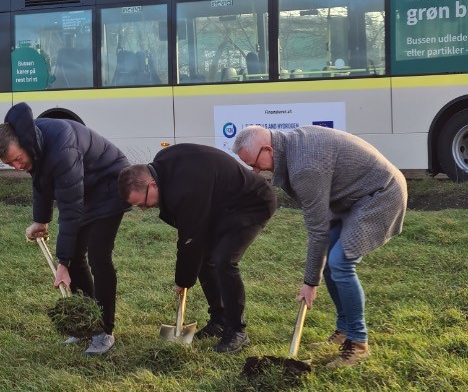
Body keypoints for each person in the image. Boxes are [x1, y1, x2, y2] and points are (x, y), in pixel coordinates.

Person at [233, 125, 407, 368]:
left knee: (340, 262)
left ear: (268, 149)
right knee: (329, 265)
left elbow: (318, 230)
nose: (256, 170)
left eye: (256, 163)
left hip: (381, 194)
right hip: (353, 198)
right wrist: (314, 275)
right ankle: (344, 330)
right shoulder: (290, 147)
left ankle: (358, 343)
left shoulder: (304, 166)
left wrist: (309, 283)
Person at [118, 143, 276, 354]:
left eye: (143, 203)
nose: (145, 209)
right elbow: (192, 237)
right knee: (204, 259)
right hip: (221, 207)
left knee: (224, 259)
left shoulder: (184, 190)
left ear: (152, 185)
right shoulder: (164, 165)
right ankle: (219, 319)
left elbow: (190, 239)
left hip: (252, 202)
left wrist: (182, 280)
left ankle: (236, 330)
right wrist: (186, 275)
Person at [0, 102, 131, 355]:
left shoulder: (62, 147)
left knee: (98, 255)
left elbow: (71, 209)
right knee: (76, 257)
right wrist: (41, 219)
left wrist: (62, 263)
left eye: (17, 159)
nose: (17, 166)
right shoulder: (32, 147)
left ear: (25, 144)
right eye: (11, 164)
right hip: (84, 188)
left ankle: (104, 331)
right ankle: (86, 325)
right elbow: (41, 181)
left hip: (110, 185)